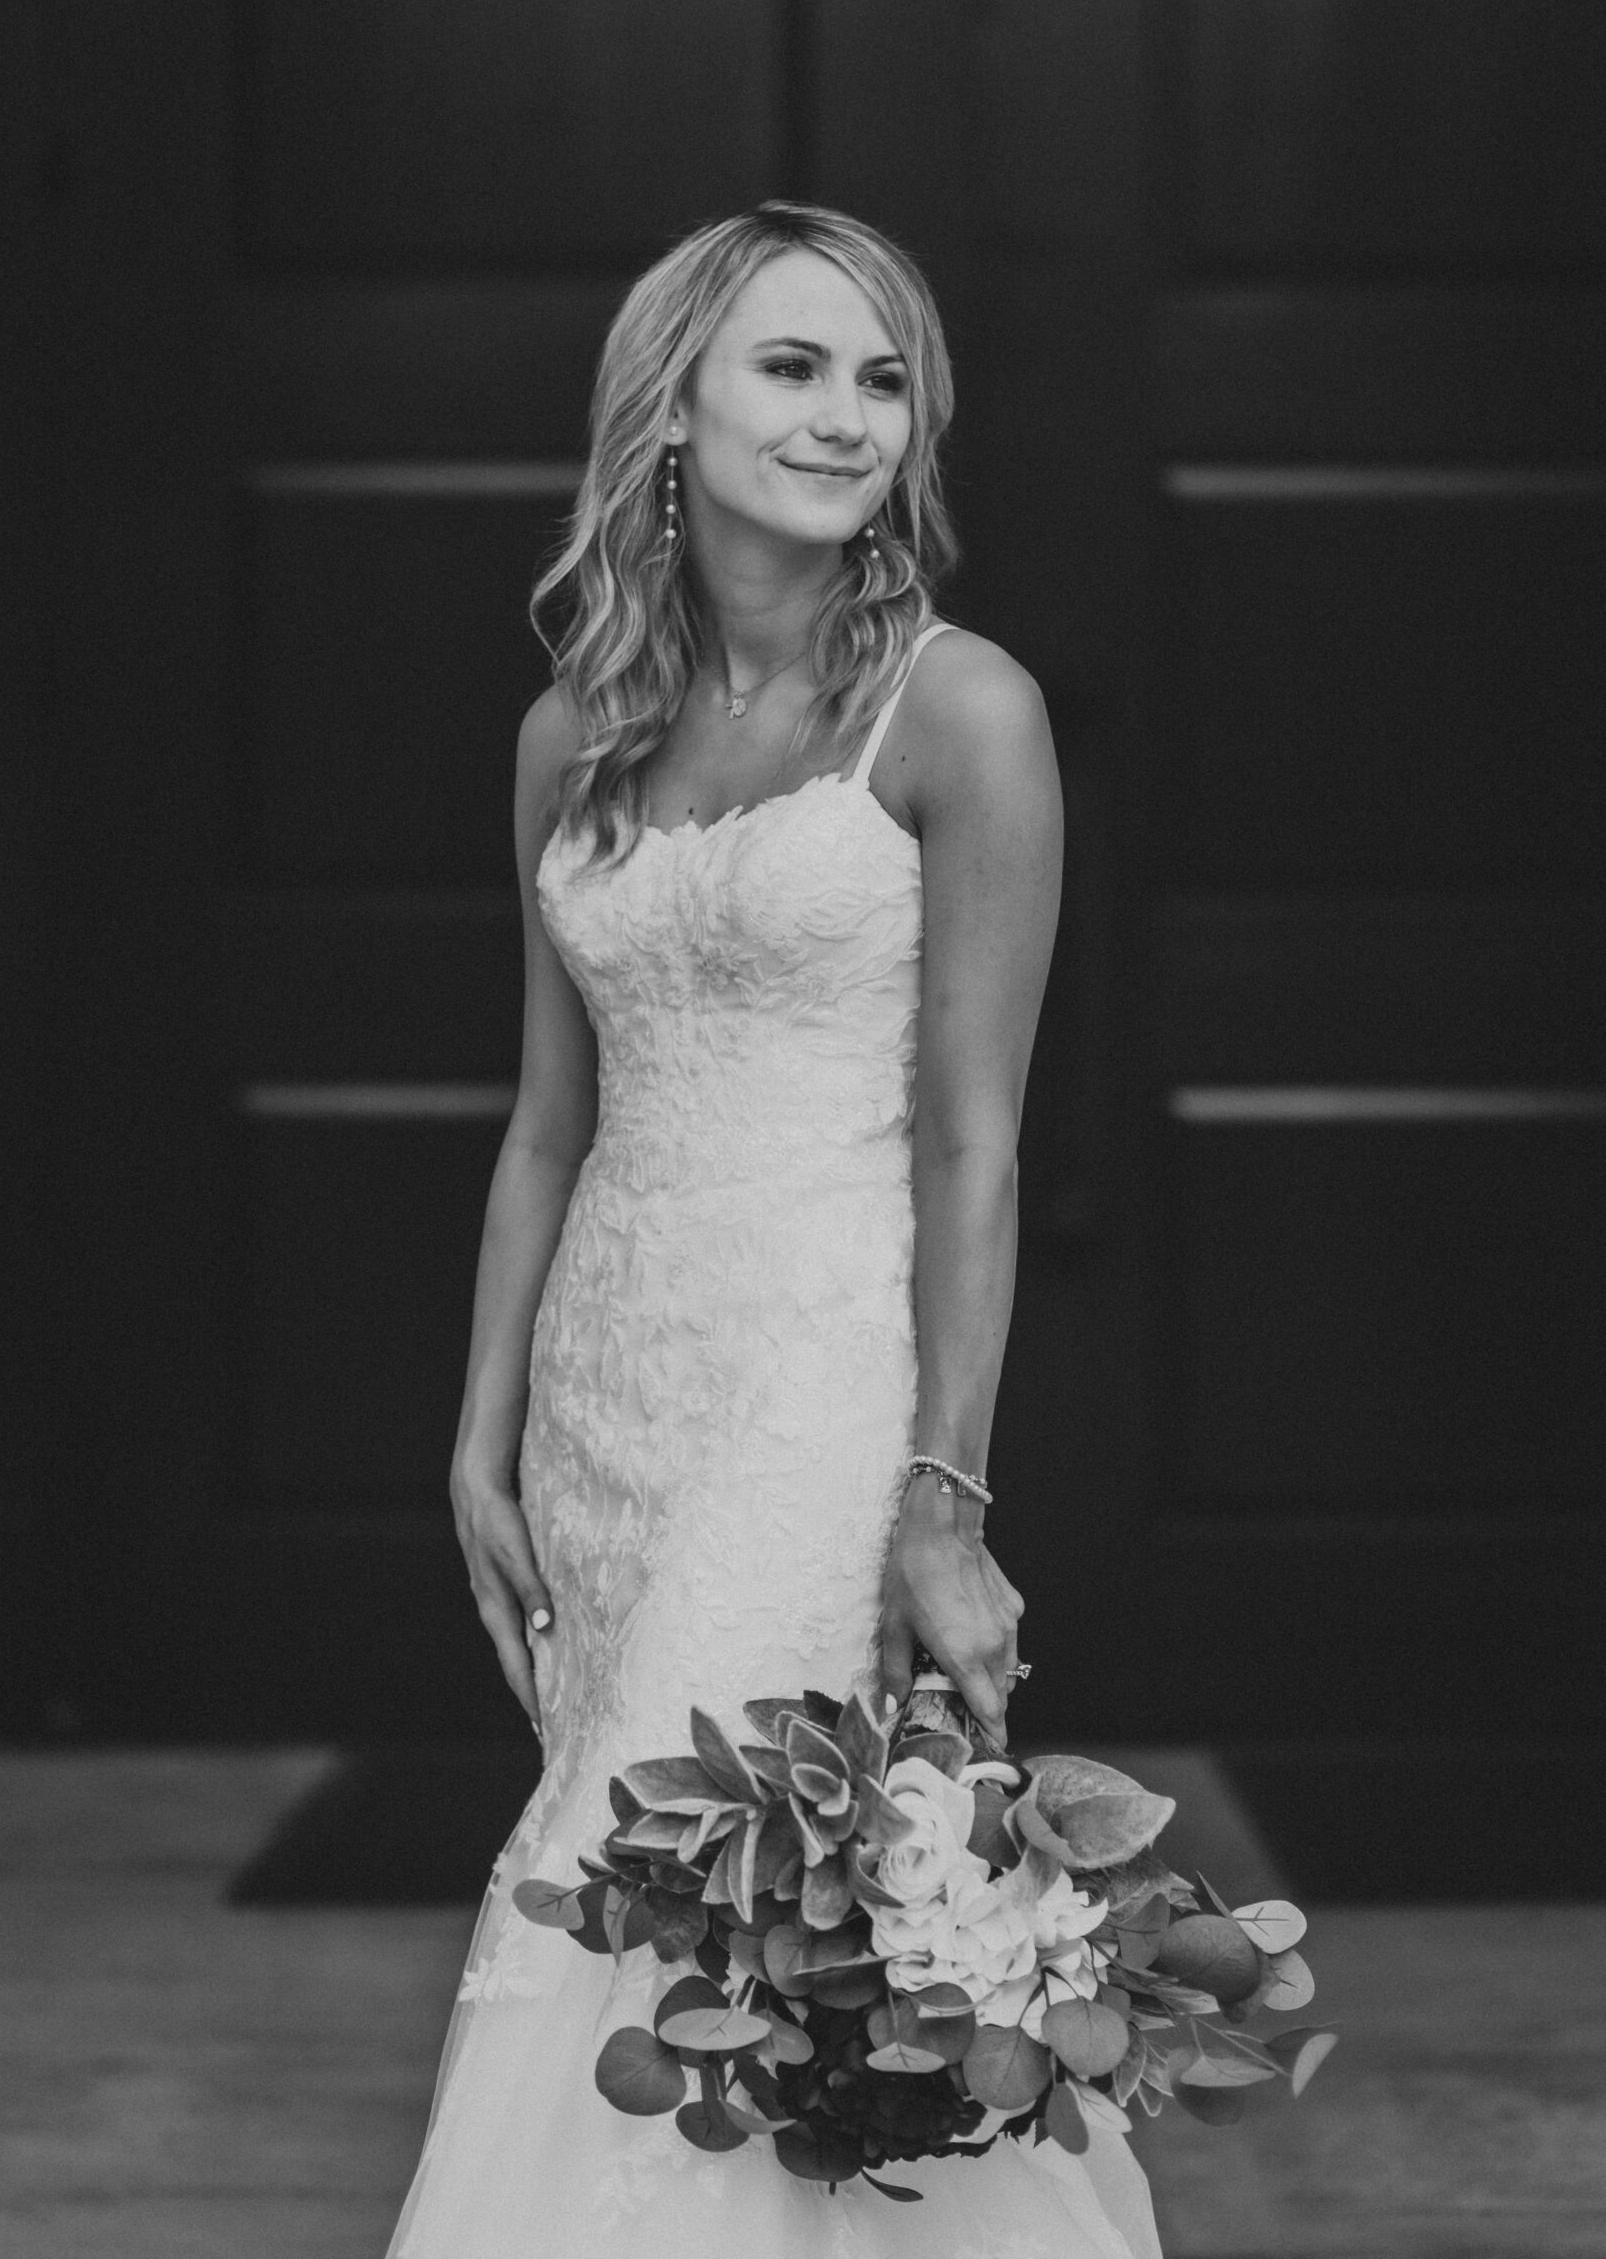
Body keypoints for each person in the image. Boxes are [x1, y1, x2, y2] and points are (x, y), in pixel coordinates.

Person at [385, 203, 1159, 2257]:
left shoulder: (958, 711)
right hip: (611, 1390)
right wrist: (478, 1434)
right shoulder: (572, 732)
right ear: (672, 408)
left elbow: (969, 1141)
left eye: (882, 376)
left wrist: (940, 1492)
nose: (845, 416)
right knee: (692, 1918)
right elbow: (548, 1126)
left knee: (710, 1866)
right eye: (792, 365)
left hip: (820, 1385)